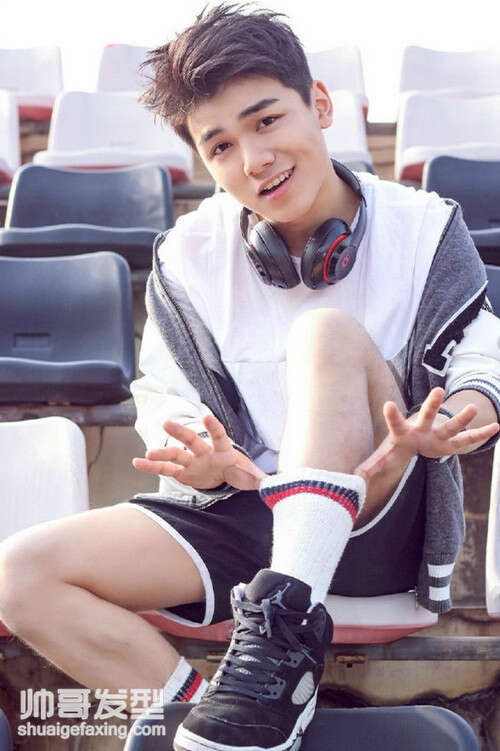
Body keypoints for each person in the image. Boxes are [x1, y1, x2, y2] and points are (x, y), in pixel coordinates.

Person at [0, 5, 499, 751]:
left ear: (320, 104)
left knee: (324, 333)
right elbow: (166, 395)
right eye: (222, 146)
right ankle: (214, 722)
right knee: (21, 573)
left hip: (373, 515)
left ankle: (277, 642)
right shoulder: (186, 254)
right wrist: (199, 455)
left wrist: (455, 415)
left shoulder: (424, 224)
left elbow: (480, 357)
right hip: (247, 508)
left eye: (266, 121)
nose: (254, 160)